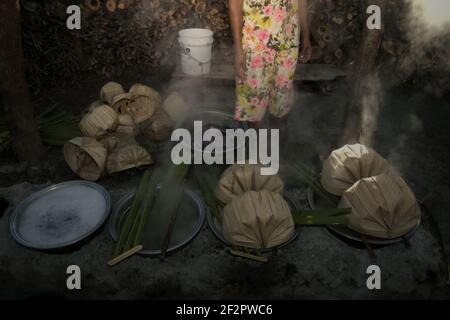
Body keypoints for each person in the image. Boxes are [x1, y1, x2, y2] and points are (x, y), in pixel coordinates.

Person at [229, 0, 311, 128]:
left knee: (281, 97)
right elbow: (235, 5)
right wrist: (238, 49)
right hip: (256, 42)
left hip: (288, 42)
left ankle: (274, 139)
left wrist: (306, 37)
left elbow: (302, 2)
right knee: (253, 99)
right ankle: (251, 140)